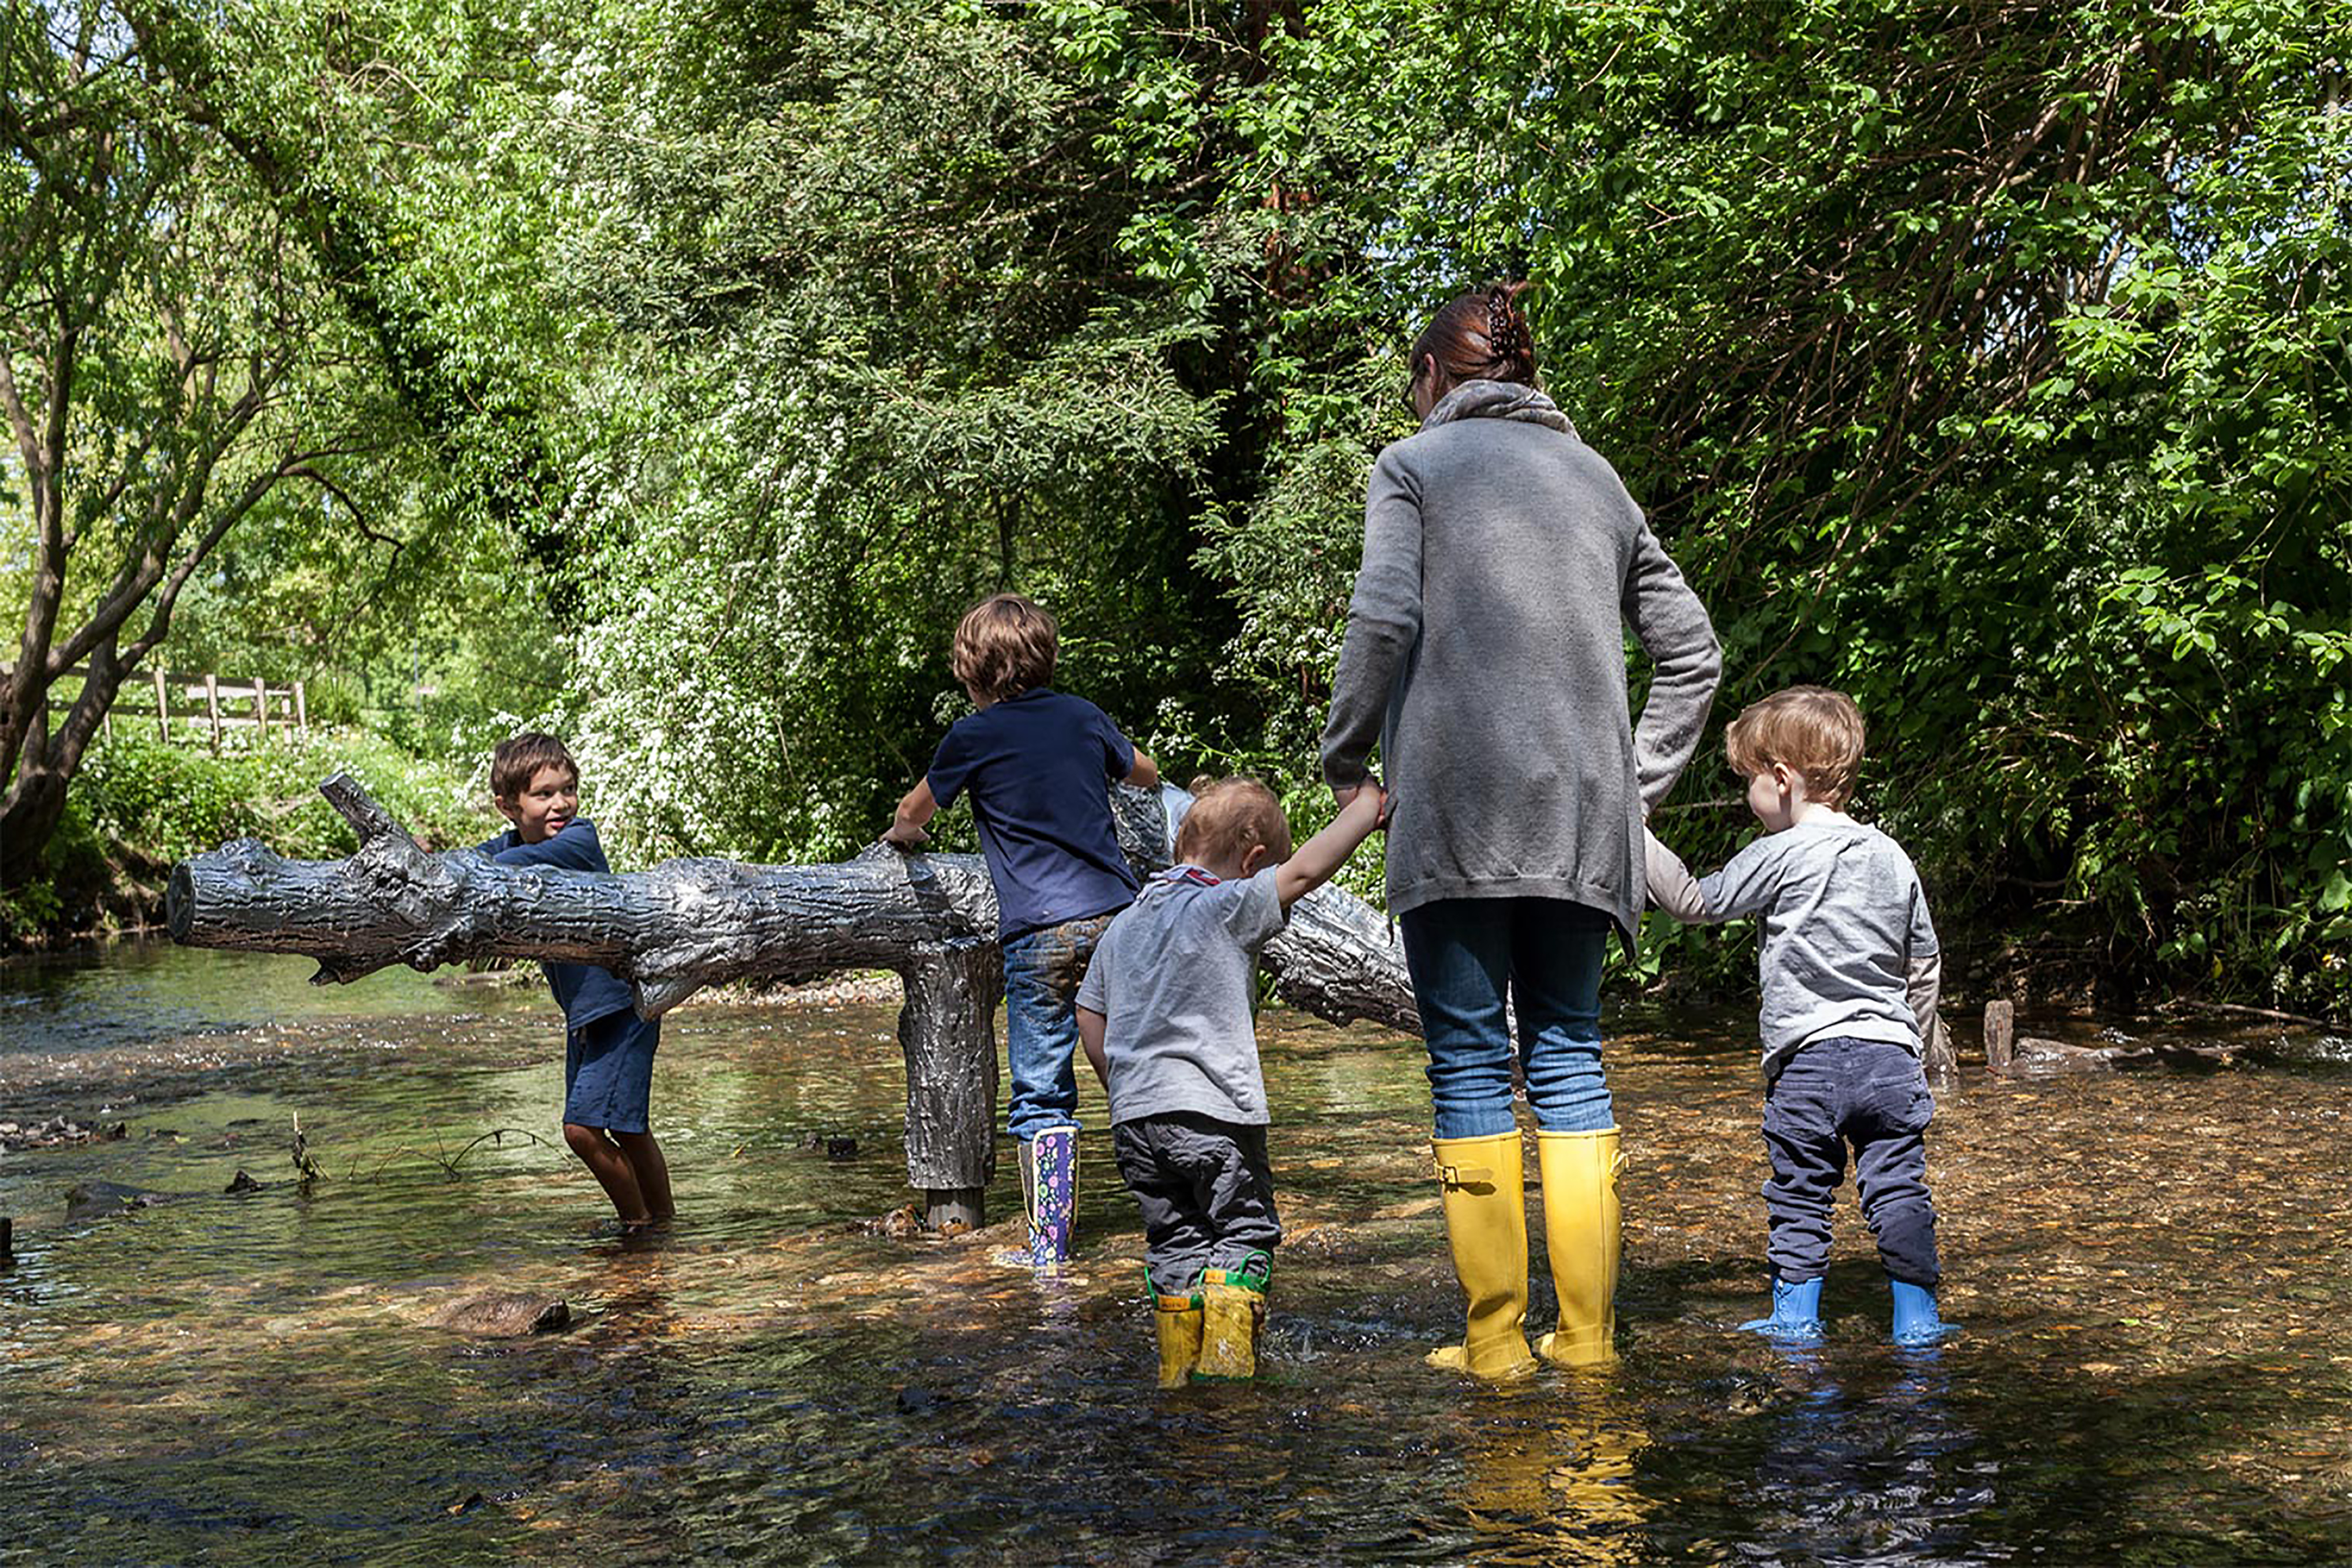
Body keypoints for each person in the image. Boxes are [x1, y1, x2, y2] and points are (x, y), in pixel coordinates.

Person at [1320, 282, 1722, 1378]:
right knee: (1568, 1055)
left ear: (1436, 379)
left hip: (1452, 807)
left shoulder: (1413, 468)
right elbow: (1695, 653)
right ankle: (1588, 1340)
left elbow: (1386, 616)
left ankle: (1496, 1341)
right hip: (1582, 823)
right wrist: (1627, 782)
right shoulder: (1599, 480)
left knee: (1465, 1057)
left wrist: (1345, 752)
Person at [1643, 686, 1954, 1345]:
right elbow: (1923, 963)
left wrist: (1630, 833)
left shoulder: (1780, 853)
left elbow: (1696, 902)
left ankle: (1794, 1322)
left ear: (1781, 780)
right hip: (1889, 1059)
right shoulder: (1890, 855)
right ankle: (1917, 1322)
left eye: (1748, 782)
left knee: (1800, 1194)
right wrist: (1916, 1046)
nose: (1744, 797)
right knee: (1898, 1188)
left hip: (1807, 1064)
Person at [1075, 777, 1389, 1385]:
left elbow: (1090, 1013)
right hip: (1211, 1113)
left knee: (1175, 1242)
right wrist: (1366, 811)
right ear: (1250, 861)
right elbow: (1302, 875)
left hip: (1134, 1121)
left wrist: (1121, 1087)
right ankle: (1227, 1368)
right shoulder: (1225, 906)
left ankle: (1176, 1373)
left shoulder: (1123, 926)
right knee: (1242, 1230)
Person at [884, 592, 1158, 1266]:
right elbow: (1144, 773)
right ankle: (1168, 1206)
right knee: (1136, 1062)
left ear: (971, 673)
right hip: (1118, 920)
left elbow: (915, 810)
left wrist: (903, 834)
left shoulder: (971, 736)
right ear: (1045, 659)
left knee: (1041, 1086)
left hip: (1038, 933)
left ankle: (1050, 1246)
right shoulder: (1081, 717)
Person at [478, 733, 671, 1233]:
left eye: (568, 789)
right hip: (588, 1016)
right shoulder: (515, 844)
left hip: (622, 1008)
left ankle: (638, 1230)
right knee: (628, 1129)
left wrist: (455, 869)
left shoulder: (577, 841)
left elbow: (489, 870)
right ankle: (664, 1227)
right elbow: (472, 860)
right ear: (508, 806)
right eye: (544, 794)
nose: (561, 803)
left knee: (582, 1130)